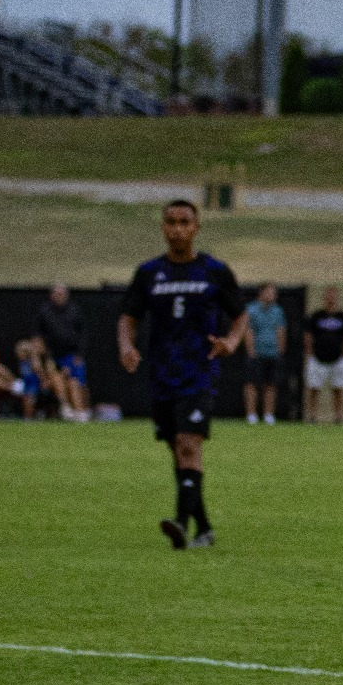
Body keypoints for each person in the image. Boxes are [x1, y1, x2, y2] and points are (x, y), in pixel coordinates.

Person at [117, 199, 246, 550]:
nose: (177, 228)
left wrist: (232, 342)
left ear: (196, 227)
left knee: (189, 444)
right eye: (171, 222)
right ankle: (203, 528)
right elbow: (128, 316)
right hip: (162, 374)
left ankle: (180, 524)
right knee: (178, 450)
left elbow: (240, 315)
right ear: (163, 227)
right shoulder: (149, 273)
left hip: (199, 372)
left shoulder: (214, 271)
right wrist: (126, 346)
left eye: (184, 222)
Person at [36, 283, 90, 420]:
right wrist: (43, 357)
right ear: (51, 295)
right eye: (56, 294)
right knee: (57, 380)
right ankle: (66, 408)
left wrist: (80, 354)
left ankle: (81, 410)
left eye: (62, 294)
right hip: (53, 356)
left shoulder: (75, 311)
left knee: (75, 381)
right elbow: (38, 336)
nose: (59, 297)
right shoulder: (45, 312)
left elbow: (83, 334)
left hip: (72, 355)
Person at [303, 287, 343, 423]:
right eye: (328, 295)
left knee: (338, 388)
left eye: (332, 295)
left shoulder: (342, 317)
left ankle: (338, 416)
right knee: (314, 387)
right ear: (324, 297)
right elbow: (308, 335)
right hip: (318, 358)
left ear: (336, 297)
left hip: (337, 359)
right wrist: (310, 352)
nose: (330, 298)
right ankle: (312, 415)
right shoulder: (316, 316)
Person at [243, 283, 286, 425]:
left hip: (272, 353)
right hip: (256, 353)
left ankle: (268, 415)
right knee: (252, 384)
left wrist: (280, 351)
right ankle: (251, 415)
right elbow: (248, 331)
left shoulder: (278, 311)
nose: (273, 295)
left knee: (271, 385)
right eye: (270, 292)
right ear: (261, 293)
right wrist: (251, 352)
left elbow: (280, 330)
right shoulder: (251, 309)